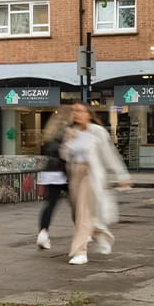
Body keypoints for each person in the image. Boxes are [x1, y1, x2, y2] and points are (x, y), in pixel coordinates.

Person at [61, 102, 131, 265]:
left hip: (90, 174)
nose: (76, 113)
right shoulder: (71, 131)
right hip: (74, 174)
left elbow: (109, 155)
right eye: (73, 111)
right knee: (77, 214)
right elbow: (65, 155)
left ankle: (80, 252)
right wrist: (68, 142)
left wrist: (122, 175)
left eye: (79, 111)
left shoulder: (97, 132)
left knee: (84, 214)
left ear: (89, 114)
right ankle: (101, 234)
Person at [36, 106, 71, 250]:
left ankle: (43, 233)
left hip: (50, 171)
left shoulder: (50, 131)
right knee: (78, 203)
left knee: (50, 204)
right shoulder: (68, 130)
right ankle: (87, 231)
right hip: (64, 171)